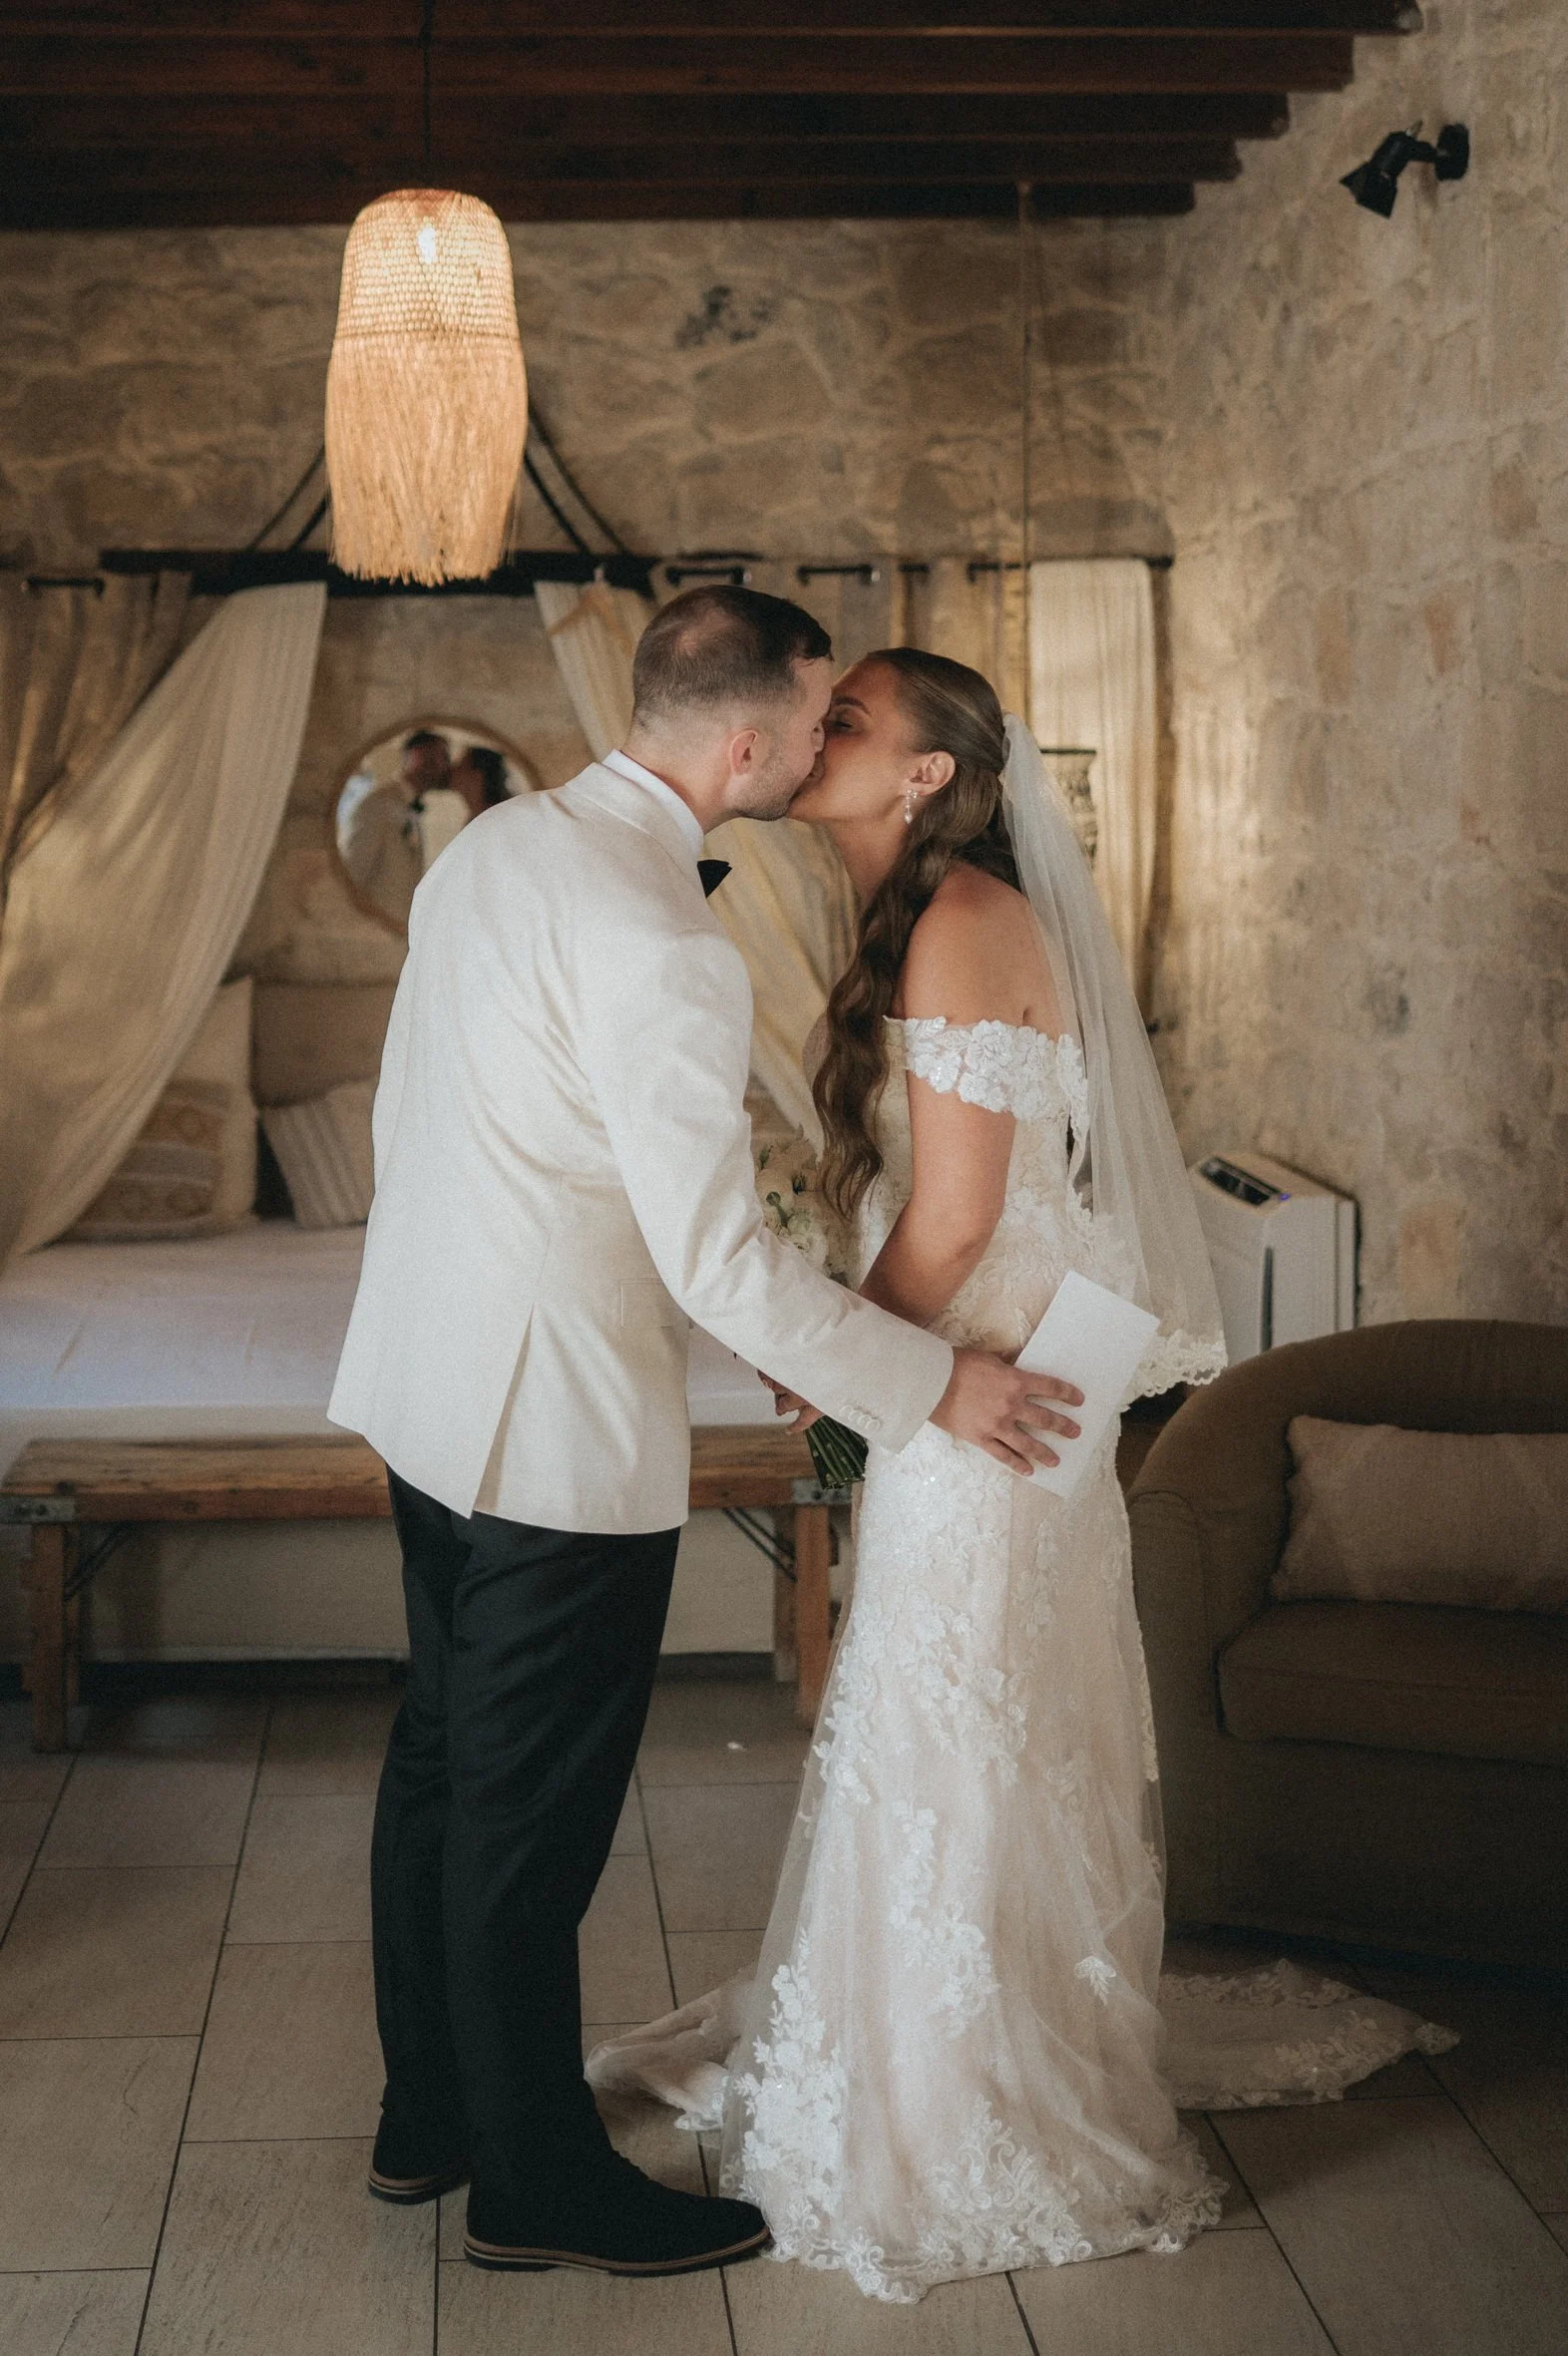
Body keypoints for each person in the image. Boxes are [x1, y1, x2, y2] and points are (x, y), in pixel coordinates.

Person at [586, 648, 1457, 2302]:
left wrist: (844, 1359)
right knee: (955, 1726)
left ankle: (975, 2111)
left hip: (995, 1407)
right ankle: (932, 2051)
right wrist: (856, 1356)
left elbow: (963, 1218)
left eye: (847, 718)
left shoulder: (965, 916)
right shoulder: (918, 914)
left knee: (961, 1732)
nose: (811, 732)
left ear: (923, 774)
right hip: (965, 1388)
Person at [327, 594, 1085, 2280]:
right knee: (525, 1827)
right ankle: (532, 2182)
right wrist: (916, 1380)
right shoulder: (657, 937)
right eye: (819, 720)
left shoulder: (497, 848)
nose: (825, 745)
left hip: (420, 1382)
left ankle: (428, 2116)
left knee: (442, 1761)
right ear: (743, 744)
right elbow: (713, 1260)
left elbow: (423, 1115)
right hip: (549, 1421)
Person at [341, 729, 450, 925]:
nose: (445, 766)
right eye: (440, 757)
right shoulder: (376, 805)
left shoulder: (411, 807)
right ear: (418, 755)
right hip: (374, 929)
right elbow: (354, 872)